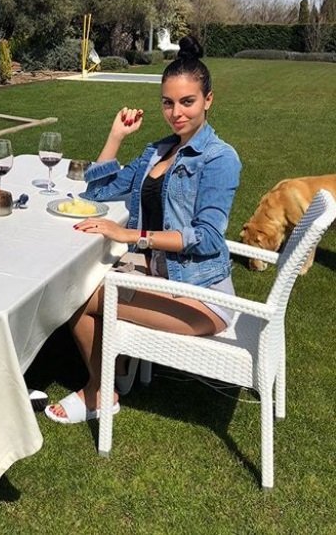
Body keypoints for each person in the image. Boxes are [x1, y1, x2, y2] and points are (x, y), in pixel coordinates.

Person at [45, 36, 241, 424]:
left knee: (78, 295)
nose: (176, 112)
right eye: (168, 103)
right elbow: (98, 189)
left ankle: (100, 390)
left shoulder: (220, 159)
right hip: (160, 279)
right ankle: (107, 382)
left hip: (200, 296)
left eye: (187, 102)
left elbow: (209, 238)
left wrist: (133, 237)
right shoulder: (158, 150)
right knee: (77, 286)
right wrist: (116, 135)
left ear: (208, 101)